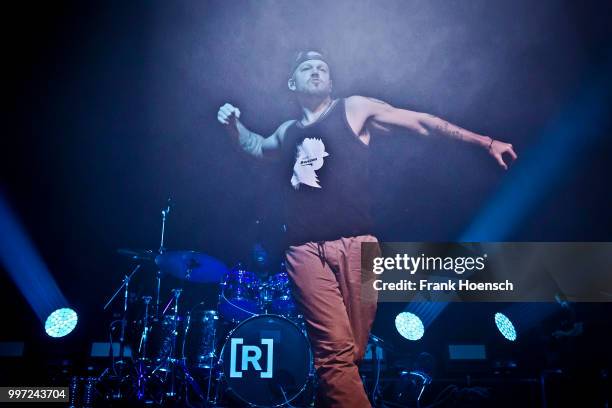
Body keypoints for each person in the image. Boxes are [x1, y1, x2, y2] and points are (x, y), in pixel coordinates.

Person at [217, 50, 517, 408]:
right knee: (335, 357)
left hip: (358, 247)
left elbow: (423, 122)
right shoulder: (288, 131)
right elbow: (256, 146)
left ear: (331, 81)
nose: (316, 72)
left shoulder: (354, 108)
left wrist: (485, 142)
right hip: (304, 250)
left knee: (351, 354)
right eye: (306, 68)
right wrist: (233, 127)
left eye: (322, 68)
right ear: (292, 83)